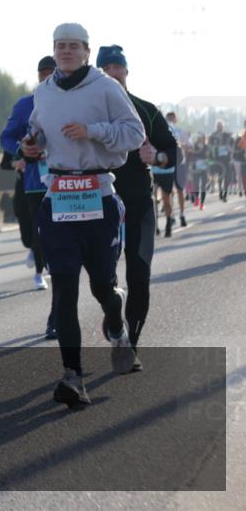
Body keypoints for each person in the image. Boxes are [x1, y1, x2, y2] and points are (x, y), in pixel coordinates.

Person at [23, 23, 144, 408]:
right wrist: (33, 144)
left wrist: (91, 131)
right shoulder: (42, 92)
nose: (66, 52)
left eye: (74, 46)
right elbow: (38, 132)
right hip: (58, 196)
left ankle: (115, 320)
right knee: (64, 289)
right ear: (54, 50)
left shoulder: (107, 87)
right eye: (60, 46)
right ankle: (72, 377)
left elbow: (134, 134)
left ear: (87, 51)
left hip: (98, 196)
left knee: (101, 287)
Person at [98, 45, 176, 369]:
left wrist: (156, 156)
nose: (114, 72)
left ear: (127, 71)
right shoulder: (91, 113)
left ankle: (130, 344)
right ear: (99, 74)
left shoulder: (146, 110)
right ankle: (115, 321)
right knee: (103, 278)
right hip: (101, 204)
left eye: (119, 67)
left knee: (139, 275)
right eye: (107, 68)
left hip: (140, 203)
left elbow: (170, 149)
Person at [0, 56, 57, 293]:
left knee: (57, 225)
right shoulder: (25, 105)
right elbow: (6, 137)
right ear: (38, 76)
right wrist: (20, 151)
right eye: (43, 73)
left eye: (51, 72)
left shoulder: (73, 101)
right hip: (35, 177)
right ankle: (38, 271)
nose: (47, 77)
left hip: (64, 175)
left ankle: (52, 263)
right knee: (36, 225)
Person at [165, 112, 190, 226]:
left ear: (175, 119)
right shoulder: (164, 130)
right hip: (168, 163)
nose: (170, 120)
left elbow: (189, 144)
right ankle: (172, 216)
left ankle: (181, 214)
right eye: (168, 118)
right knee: (169, 191)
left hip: (179, 163)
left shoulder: (180, 131)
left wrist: (180, 145)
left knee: (179, 190)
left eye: (172, 118)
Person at [208, 121, 235, 202]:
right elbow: (209, 145)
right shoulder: (213, 135)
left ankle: (225, 193)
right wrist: (215, 147)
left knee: (227, 177)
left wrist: (229, 148)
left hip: (226, 159)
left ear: (223, 127)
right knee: (220, 176)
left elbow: (233, 143)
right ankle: (220, 191)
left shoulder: (227, 135)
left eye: (220, 126)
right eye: (218, 126)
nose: (219, 127)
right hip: (217, 159)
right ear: (216, 127)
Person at [185, 134, 209, 209]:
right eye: (201, 137)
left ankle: (202, 203)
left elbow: (209, 156)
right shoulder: (194, 146)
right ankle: (197, 199)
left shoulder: (206, 147)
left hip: (204, 168)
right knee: (196, 185)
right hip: (195, 167)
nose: (202, 139)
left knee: (203, 186)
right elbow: (189, 156)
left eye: (203, 138)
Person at [234, 119, 246, 198]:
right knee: (243, 175)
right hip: (243, 158)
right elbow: (238, 146)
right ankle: (244, 190)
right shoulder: (242, 134)